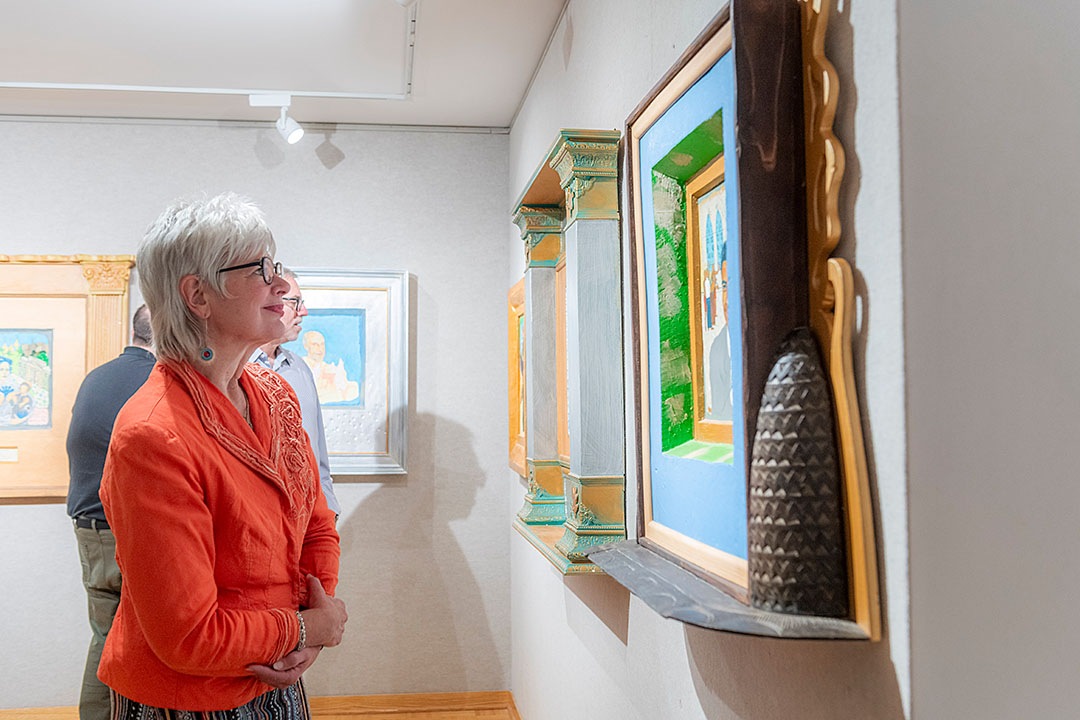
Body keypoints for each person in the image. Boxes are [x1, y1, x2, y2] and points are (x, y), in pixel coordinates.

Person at [98, 192, 347, 717]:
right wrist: (306, 627)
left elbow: (317, 526)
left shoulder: (275, 397)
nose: (281, 283)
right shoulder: (153, 435)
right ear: (198, 295)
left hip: (276, 677)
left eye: (275, 264)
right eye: (260, 268)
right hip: (187, 700)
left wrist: (309, 624)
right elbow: (190, 636)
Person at [65, 304, 156, 720]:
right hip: (124, 529)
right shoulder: (154, 381)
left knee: (106, 633)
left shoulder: (98, 377)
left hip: (90, 528)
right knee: (130, 640)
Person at [251, 268, 342, 517]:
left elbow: (318, 450)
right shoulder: (233, 370)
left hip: (311, 522)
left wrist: (329, 509)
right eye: (296, 303)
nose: (304, 312)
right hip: (260, 522)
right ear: (270, 303)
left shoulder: (300, 368)